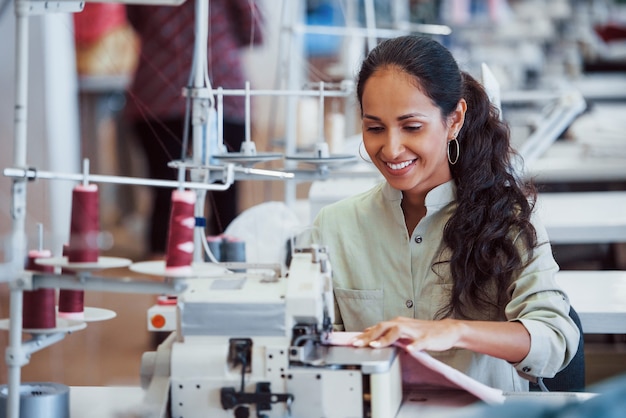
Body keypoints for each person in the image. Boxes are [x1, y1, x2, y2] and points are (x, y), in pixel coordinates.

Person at [310, 35, 580, 392]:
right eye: (374, 128)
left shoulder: (507, 217)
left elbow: (555, 340)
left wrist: (455, 331)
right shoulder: (335, 227)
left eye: (412, 127)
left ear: (454, 120)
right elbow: (320, 358)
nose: (390, 148)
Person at [124, 1, 264, 257]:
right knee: (224, 189)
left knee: (166, 191)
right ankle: (225, 265)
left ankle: (163, 275)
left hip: (156, 89)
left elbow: (135, 19)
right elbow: (253, 30)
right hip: (220, 87)